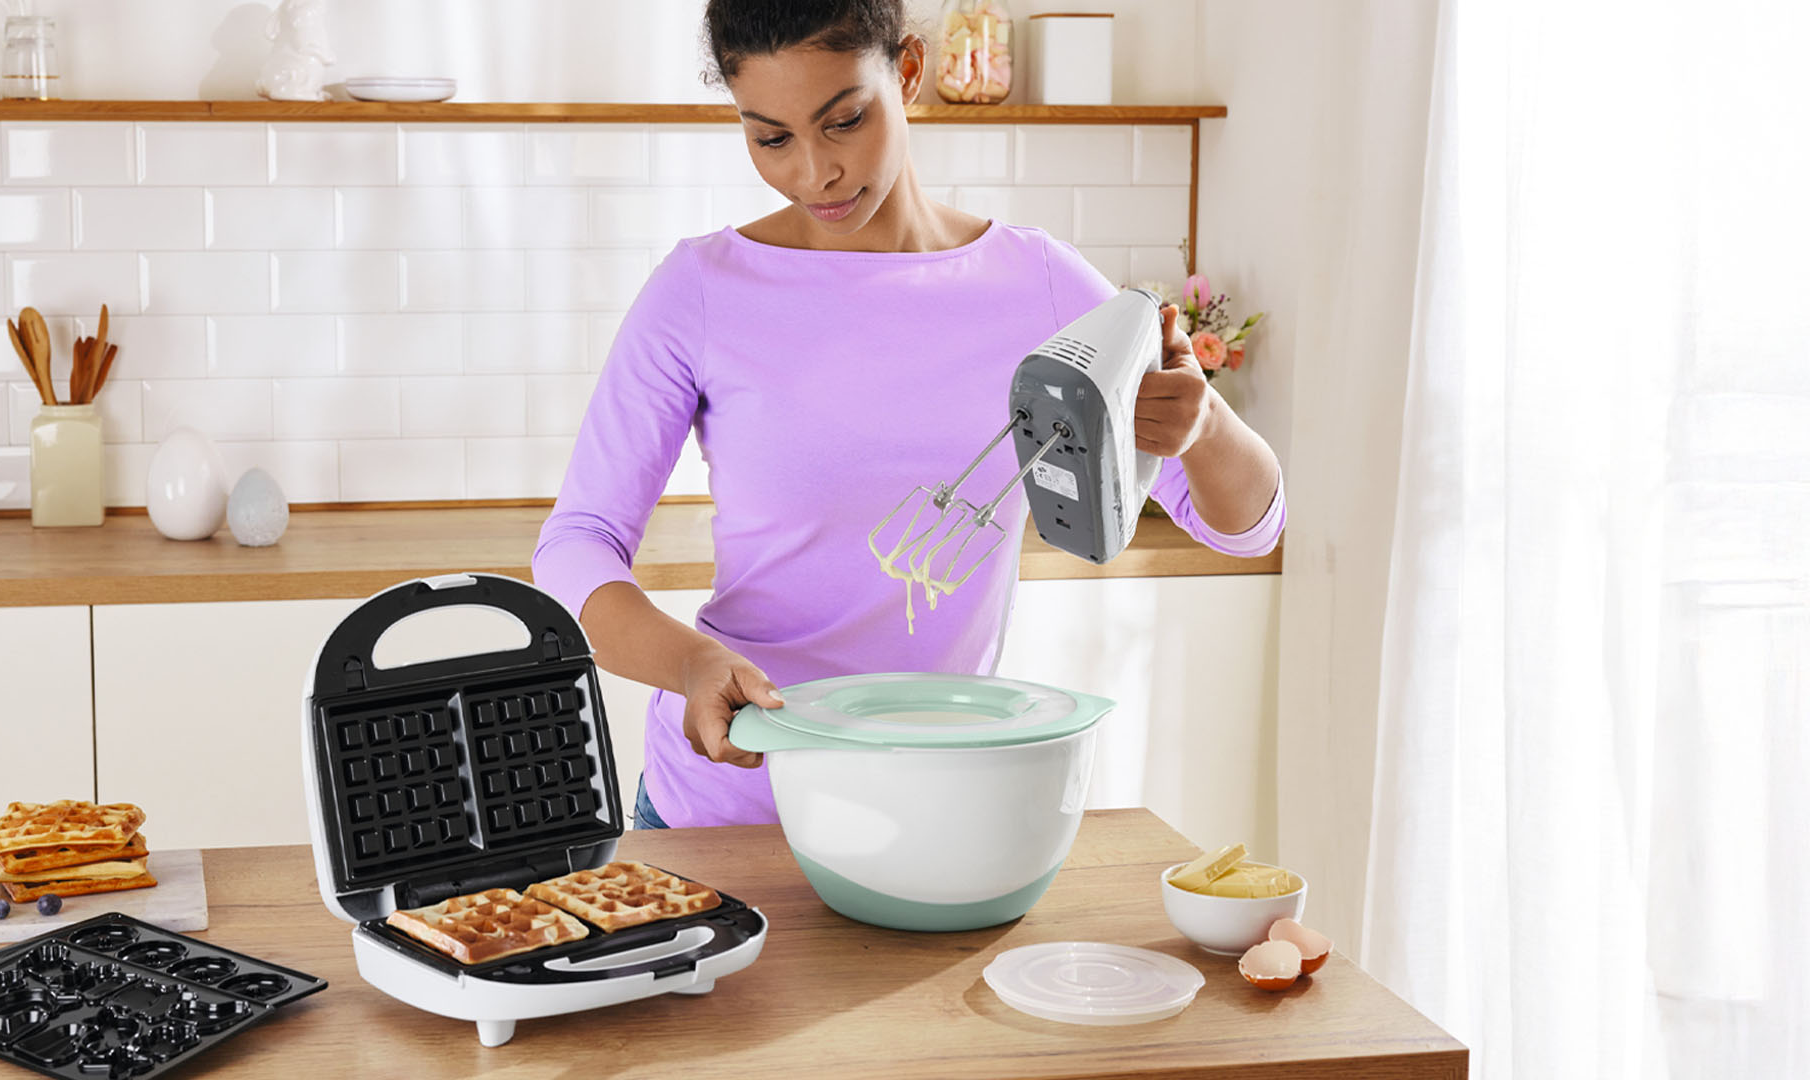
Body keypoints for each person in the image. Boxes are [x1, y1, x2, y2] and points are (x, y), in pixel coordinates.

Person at [533, 0, 1285, 830]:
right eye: (771, 137)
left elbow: (1245, 528)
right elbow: (576, 545)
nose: (814, 172)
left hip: (935, 800)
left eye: (845, 120)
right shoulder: (701, 290)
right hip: (734, 798)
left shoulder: (1038, 284)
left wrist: (1204, 424)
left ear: (911, 73)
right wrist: (690, 662)